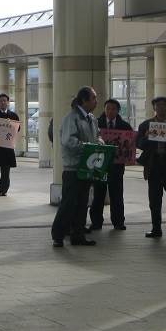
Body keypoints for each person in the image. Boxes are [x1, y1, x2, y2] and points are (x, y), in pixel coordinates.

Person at [51, 86, 101, 247]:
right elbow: (68, 141)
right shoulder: (71, 118)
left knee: (82, 203)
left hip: (87, 167)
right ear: (84, 100)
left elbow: (96, 137)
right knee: (69, 203)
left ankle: (78, 235)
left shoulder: (92, 118)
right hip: (73, 168)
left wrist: (99, 143)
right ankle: (58, 235)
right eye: (93, 98)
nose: (96, 101)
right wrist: (88, 147)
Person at [136, 97, 166, 239]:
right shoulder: (146, 125)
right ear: (154, 108)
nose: (161, 107)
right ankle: (156, 229)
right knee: (154, 200)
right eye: (158, 105)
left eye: (164, 105)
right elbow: (139, 144)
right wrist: (145, 137)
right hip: (154, 165)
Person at [89, 98, 133, 231]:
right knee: (98, 195)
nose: (110, 111)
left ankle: (118, 222)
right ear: (104, 109)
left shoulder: (125, 126)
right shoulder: (96, 123)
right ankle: (96, 222)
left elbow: (130, 145)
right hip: (99, 165)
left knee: (117, 195)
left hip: (117, 167)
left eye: (113, 108)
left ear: (118, 110)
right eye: (108, 108)